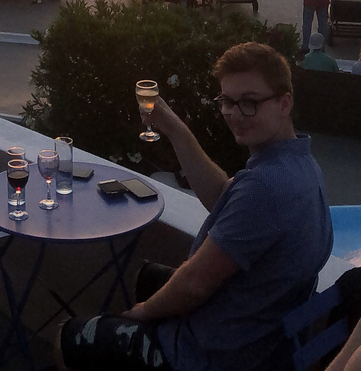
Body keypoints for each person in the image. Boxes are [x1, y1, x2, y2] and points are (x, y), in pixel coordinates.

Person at [57, 41, 333, 371]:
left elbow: (195, 284)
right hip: (265, 333)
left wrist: (142, 313)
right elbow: (222, 195)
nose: (234, 114)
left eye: (249, 103)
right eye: (227, 101)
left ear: (284, 103)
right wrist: (174, 127)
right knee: (147, 276)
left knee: (69, 337)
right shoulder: (298, 164)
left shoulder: (265, 188)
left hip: (215, 353)